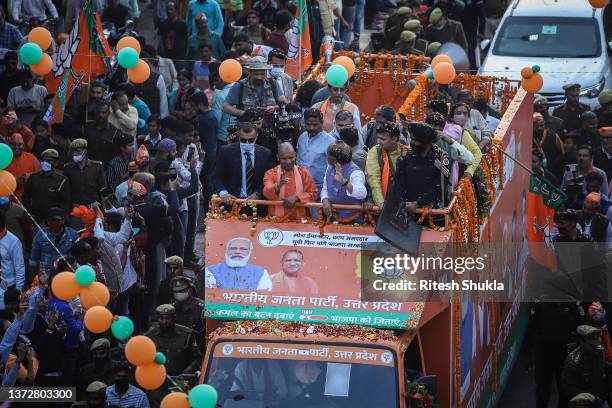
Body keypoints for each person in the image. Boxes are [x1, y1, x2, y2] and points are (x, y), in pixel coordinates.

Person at [213, 122, 274, 203]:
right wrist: (223, 193)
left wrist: (258, 194)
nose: (247, 143)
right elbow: (217, 176)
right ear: (238, 137)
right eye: (243, 140)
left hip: (257, 204)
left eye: (251, 140)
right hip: (232, 202)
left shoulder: (266, 154)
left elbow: (269, 179)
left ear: (256, 137)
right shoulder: (226, 152)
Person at [394, 122, 448, 214]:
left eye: (415, 140)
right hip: (407, 209)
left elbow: (439, 187)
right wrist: (403, 202)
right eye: (411, 139)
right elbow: (399, 183)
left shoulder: (441, 157)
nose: (412, 143)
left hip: (433, 211)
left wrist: (417, 203)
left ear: (425, 141)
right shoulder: (406, 156)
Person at [263, 142, 318, 219]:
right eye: (284, 158)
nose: (288, 161)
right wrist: (277, 186)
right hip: (276, 221)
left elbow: (314, 193)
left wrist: (297, 198)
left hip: (301, 221)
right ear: (278, 157)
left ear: (295, 155)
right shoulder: (270, 173)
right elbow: (266, 193)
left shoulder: (304, 173)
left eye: (291, 158)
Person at [145, 304, 200, 376]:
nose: (164, 322)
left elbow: (197, 358)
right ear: (157, 319)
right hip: (157, 378)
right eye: (161, 318)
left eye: (168, 318)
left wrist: (189, 369)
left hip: (180, 380)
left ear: (174, 318)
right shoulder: (150, 336)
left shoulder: (187, 334)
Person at [561, 325, 608, 404]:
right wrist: (590, 397)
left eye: (596, 344)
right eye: (592, 345)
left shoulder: (599, 351)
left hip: (599, 395)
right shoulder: (573, 360)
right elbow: (568, 387)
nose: (595, 347)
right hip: (583, 399)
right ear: (581, 342)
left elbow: (602, 366)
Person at [321, 141, 367, 220]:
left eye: (328, 155)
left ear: (334, 160)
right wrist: (324, 199)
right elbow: (325, 188)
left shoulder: (355, 172)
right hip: (333, 217)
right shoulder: (330, 167)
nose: (326, 156)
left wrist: (344, 182)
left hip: (354, 219)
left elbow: (362, 193)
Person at [205, 237, 272, 290]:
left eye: (243, 249)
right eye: (233, 248)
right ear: (226, 250)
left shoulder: (261, 272)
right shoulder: (211, 270)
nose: (237, 252)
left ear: (250, 252)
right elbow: (212, 295)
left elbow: (263, 296)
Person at [365, 122, 407, 207]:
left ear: (394, 139)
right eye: (378, 138)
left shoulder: (406, 151)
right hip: (382, 204)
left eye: (383, 139)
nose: (378, 141)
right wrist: (381, 204)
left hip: (404, 204)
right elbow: (373, 179)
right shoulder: (375, 151)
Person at [22, 149, 71, 220]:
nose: (45, 163)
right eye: (43, 160)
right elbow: (25, 198)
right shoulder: (33, 177)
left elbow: (66, 202)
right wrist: (29, 214)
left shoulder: (62, 180)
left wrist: (59, 217)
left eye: (49, 161)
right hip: (36, 219)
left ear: (56, 163)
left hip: (54, 221)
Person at [297, 108, 336, 193]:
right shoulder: (302, 137)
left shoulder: (331, 142)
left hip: (320, 188)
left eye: (315, 125)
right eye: (308, 124)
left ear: (322, 123)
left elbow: (334, 168)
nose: (311, 128)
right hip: (300, 185)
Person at [29, 207, 78, 272]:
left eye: (58, 220)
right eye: (52, 220)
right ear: (48, 221)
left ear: (63, 221)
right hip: (46, 274)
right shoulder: (40, 234)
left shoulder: (73, 234)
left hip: (65, 273)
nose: (55, 222)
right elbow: (34, 257)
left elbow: (77, 256)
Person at [63, 138, 107, 207]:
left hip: (94, 207)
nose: (74, 154)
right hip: (76, 209)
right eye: (73, 151)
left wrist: (104, 209)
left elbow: (103, 190)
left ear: (85, 152)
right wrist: (71, 205)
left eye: (77, 151)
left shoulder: (97, 167)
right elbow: (66, 192)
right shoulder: (68, 168)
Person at [170, 276, 204, 352]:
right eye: (176, 292)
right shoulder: (172, 309)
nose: (178, 294)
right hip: (179, 350)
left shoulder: (201, 308)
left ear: (190, 290)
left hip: (198, 349)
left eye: (181, 291)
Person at [6, 132, 40, 201]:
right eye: (13, 144)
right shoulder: (4, 159)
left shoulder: (31, 158)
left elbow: (40, 175)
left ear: (23, 146)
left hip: (28, 200)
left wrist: (28, 176)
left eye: (19, 144)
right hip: (8, 201)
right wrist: (15, 181)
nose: (16, 147)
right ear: (9, 145)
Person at [84, 102, 121, 166]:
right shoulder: (87, 129)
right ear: (95, 112)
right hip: (89, 167)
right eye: (99, 112)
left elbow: (117, 154)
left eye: (104, 112)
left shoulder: (115, 131)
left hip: (107, 169)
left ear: (108, 113)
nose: (101, 115)